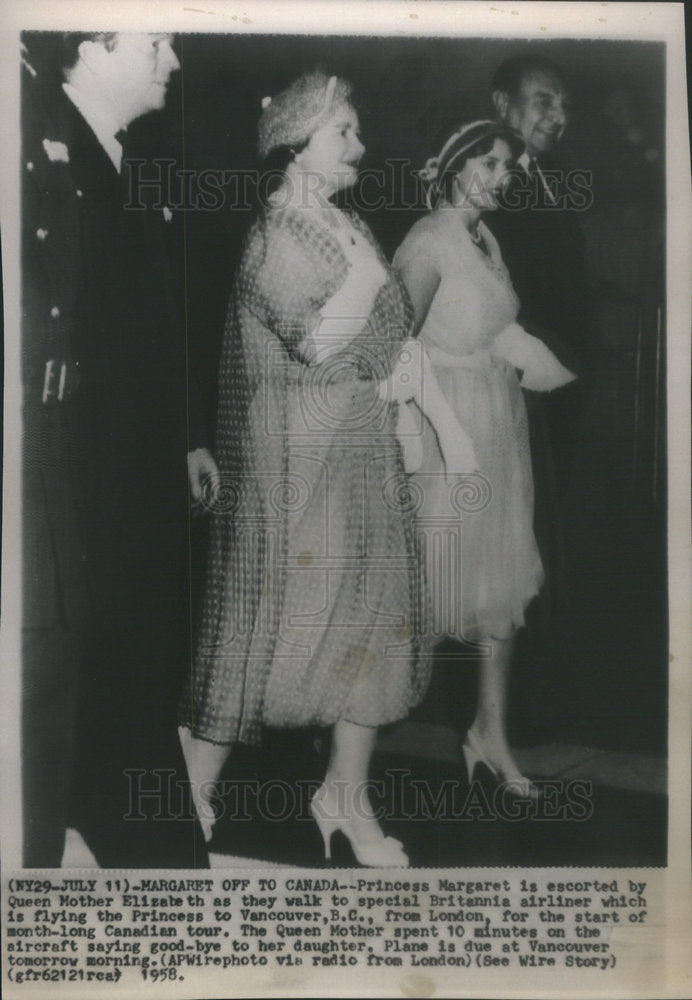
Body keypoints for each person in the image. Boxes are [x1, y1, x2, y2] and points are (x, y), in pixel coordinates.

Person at [177, 70, 472, 868]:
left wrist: (417, 395)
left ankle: (345, 796)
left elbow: (382, 341)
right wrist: (390, 294)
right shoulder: (274, 234)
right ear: (297, 147)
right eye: (344, 132)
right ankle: (189, 790)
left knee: (372, 621)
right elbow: (329, 342)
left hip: (360, 452)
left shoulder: (348, 223)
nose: (361, 145)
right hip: (294, 467)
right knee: (268, 628)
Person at [21, 32, 214, 867]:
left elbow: (157, 325)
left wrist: (185, 438)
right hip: (79, 470)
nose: (172, 59)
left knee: (128, 662)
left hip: (134, 471)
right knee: (102, 668)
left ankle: (129, 830)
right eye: (156, 41)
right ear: (93, 46)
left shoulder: (128, 157)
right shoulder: (41, 147)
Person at [393, 120, 576, 793]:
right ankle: (340, 744)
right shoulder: (429, 238)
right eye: (491, 164)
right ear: (453, 164)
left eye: (508, 166)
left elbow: (497, 326)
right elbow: (395, 348)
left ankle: (489, 734)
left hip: (497, 421)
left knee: (498, 585)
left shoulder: (483, 238)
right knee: (420, 587)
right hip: (447, 430)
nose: (504, 177)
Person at [486, 53, 589, 494]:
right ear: (502, 103)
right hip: (514, 378)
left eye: (564, 103)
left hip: (562, 376)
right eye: (544, 102)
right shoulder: (481, 179)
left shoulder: (556, 173)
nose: (559, 117)